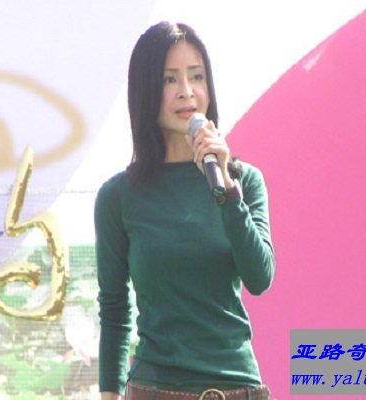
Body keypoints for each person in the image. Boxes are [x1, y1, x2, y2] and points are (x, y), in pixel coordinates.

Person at [95, 21, 275, 400]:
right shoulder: (118, 196)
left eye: (196, 76)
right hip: (156, 388)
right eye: (169, 79)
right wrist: (109, 394)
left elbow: (259, 278)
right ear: (145, 90)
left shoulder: (243, 181)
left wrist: (227, 190)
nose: (186, 92)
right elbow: (114, 310)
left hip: (238, 387)